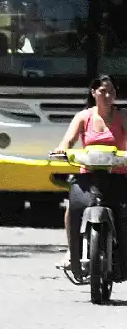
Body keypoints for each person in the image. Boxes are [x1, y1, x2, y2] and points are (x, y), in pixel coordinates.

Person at [52, 74, 127, 280]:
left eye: (111, 91)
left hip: (119, 177)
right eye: (103, 91)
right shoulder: (83, 117)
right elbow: (68, 141)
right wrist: (62, 149)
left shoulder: (123, 116)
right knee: (72, 208)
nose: (108, 95)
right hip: (88, 178)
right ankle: (72, 250)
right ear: (93, 93)